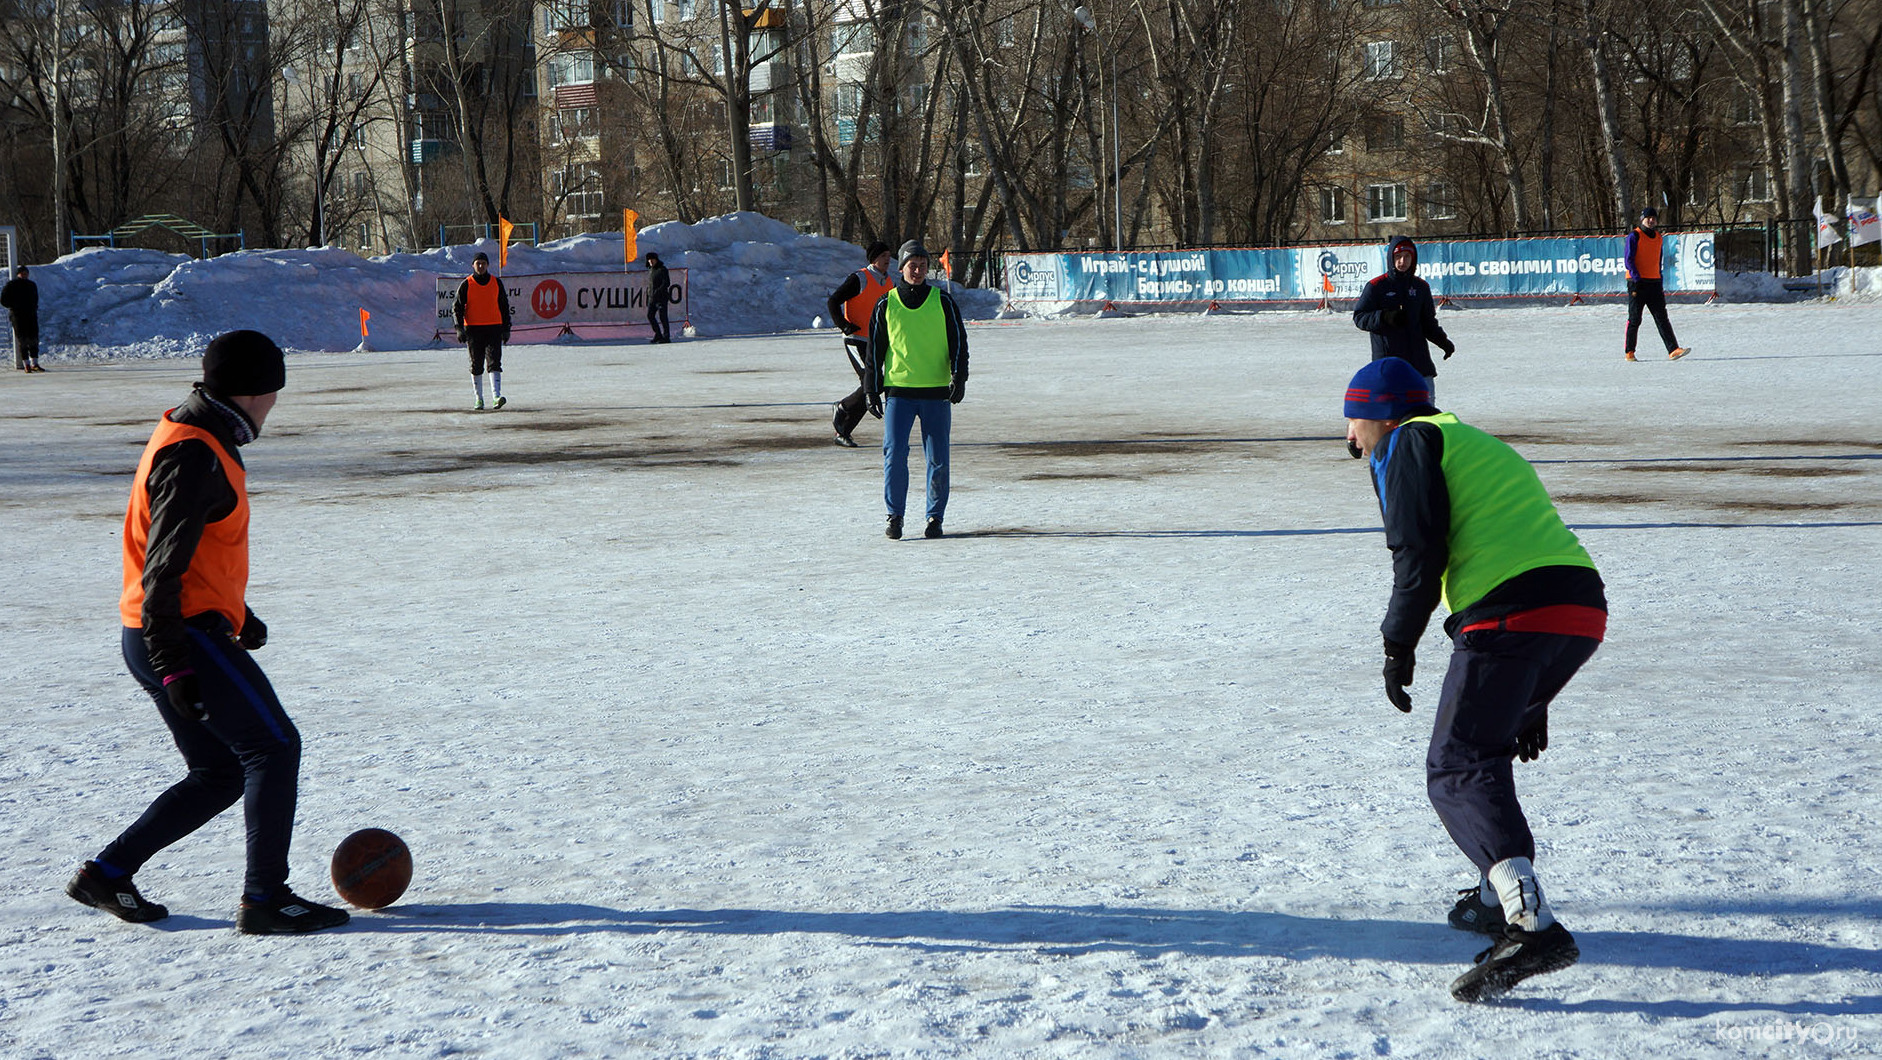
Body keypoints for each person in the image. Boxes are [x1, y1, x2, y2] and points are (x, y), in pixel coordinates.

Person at [67, 330, 349, 935]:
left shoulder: (200, 433)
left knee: (219, 771)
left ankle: (107, 874)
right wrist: (175, 665)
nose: (274, 405)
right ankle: (265, 899)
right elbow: (162, 567)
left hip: (165, 631)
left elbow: (197, 553)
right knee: (273, 747)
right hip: (176, 635)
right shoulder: (195, 451)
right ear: (253, 391)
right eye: (273, 393)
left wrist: (239, 617)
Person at [1342, 356, 1607, 1002]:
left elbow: (1419, 552)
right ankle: (1496, 897)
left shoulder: (1410, 441)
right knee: (1486, 752)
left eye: (1352, 421)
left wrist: (1396, 644)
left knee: (1457, 764)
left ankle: (1530, 922)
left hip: (1509, 612)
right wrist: (1532, 695)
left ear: (1382, 414)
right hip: (1580, 609)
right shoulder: (1477, 442)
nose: (1349, 439)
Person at [866, 240, 968, 540]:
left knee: (938, 458)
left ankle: (935, 517)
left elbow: (958, 343)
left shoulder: (943, 301)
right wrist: (871, 390)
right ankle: (895, 515)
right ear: (901, 268)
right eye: (912, 264)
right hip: (899, 391)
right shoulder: (887, 303)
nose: (918, 269)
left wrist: (959, 377)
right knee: (894, 453)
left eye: (923, 264)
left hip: (936, 391)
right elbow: (875, 352)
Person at [1352, 236, 1455, 401]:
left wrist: (1443, 342)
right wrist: (1384, 317)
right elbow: (1359, 317)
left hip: (1419, 365)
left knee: (1426, 414)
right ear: (1391, 258)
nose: (1402, 261)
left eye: (1407, 257)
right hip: (1388, 366)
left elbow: (1428, 323)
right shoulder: (1376, 287)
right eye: (1398, 257)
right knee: (1393, 418)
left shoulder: (1421, 287)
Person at [825, 241, 894, 447]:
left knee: (876, 383)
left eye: (889, 255)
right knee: (872, 382)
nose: (887, 259)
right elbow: (833, 301)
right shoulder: (860, 278)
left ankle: (844, 409)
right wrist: (844, 326)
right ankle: (843, 425)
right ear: (874, 258)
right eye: (883, 255)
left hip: (875, 341)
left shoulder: (888, 281)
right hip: (856, 340)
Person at [1623, 207, 1691, 362]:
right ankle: (1630, 352)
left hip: (1654, 283)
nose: (1651, 220)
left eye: (1654, 218)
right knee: (1635, 319)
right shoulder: (1634, 236)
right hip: (1637, 283)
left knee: (1662, 318)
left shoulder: (1658, 237)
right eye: (1648, 218)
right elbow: (1628, 260)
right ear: (1642, 219)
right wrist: (1636, 277)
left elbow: (1657, 260)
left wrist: (1659, 278)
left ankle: (1673, 349)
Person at [451, 251, 513, 410]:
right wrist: (459, 328)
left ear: (487, 265)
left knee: (494, 362)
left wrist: (506, 328)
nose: (480, 266)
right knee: (476, 364)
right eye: (478, 263)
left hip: (494, 327)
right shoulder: (467, 284)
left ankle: (496, 396)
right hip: (473, 329)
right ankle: (478, 398)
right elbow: (456, 308)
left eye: (483, 263)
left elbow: (504, 307)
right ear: (473, 265)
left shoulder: (496, 283)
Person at [1, 265, 43, 372]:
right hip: (18, 316)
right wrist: (14, 307)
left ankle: (35, 363)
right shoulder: (12, 285)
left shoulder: (31, 285)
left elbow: (35, 298)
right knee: (23, 340)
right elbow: (3, 300)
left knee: (33, 339)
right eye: (22, 273)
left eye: (26, 273)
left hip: (31, 315)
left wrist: (34, 307)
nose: (24, 275)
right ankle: (26, 364)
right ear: (18, 274)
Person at [645, 252, 672, 344]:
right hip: (652, 298)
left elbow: (666, 283)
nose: (650, 262)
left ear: (656, 259)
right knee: (650, 316)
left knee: (663, 317)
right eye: (649, 260)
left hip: (661, 298)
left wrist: (658, 291)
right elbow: (650, 284)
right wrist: (649, 294)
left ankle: (666, 336)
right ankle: (658, 334)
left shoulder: (662, 269)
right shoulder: (651, 270)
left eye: (652, 260)